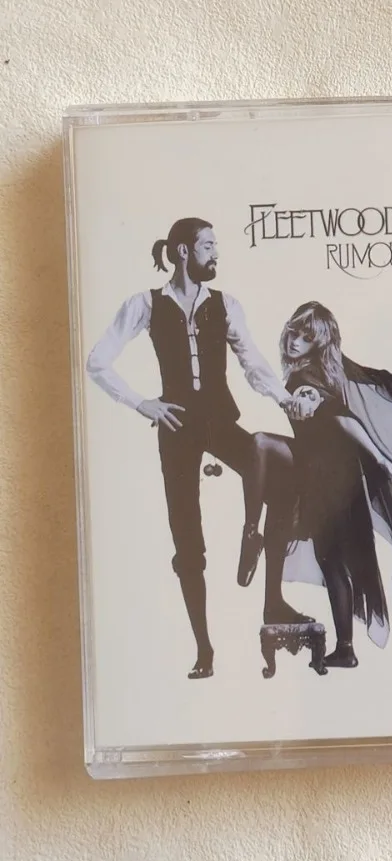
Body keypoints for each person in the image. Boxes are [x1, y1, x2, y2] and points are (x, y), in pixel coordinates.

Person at [86, 217, 313, 680]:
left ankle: (264, 575)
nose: (216, 254)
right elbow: (98, 361)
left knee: (283, 476)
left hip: (218, 423)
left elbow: (252, 361)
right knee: (187, 539)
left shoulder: (225, 304)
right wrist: (141, 403)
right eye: (208, 245)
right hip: (176, 429)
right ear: (183, 252)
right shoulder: (145, 304)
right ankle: (204, 648)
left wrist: (283, 397)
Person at [240, 301, 392, 669]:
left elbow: (344, 420)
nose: (295, 340)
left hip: (329, 477)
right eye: (294, 331)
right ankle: (345, 648)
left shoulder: (306, 380)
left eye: (306, 337)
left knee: (261, 446)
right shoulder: (319, 373)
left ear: (318, 344)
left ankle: (251, 532)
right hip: (330, 475)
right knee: (332, 561)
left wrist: (381, 459)